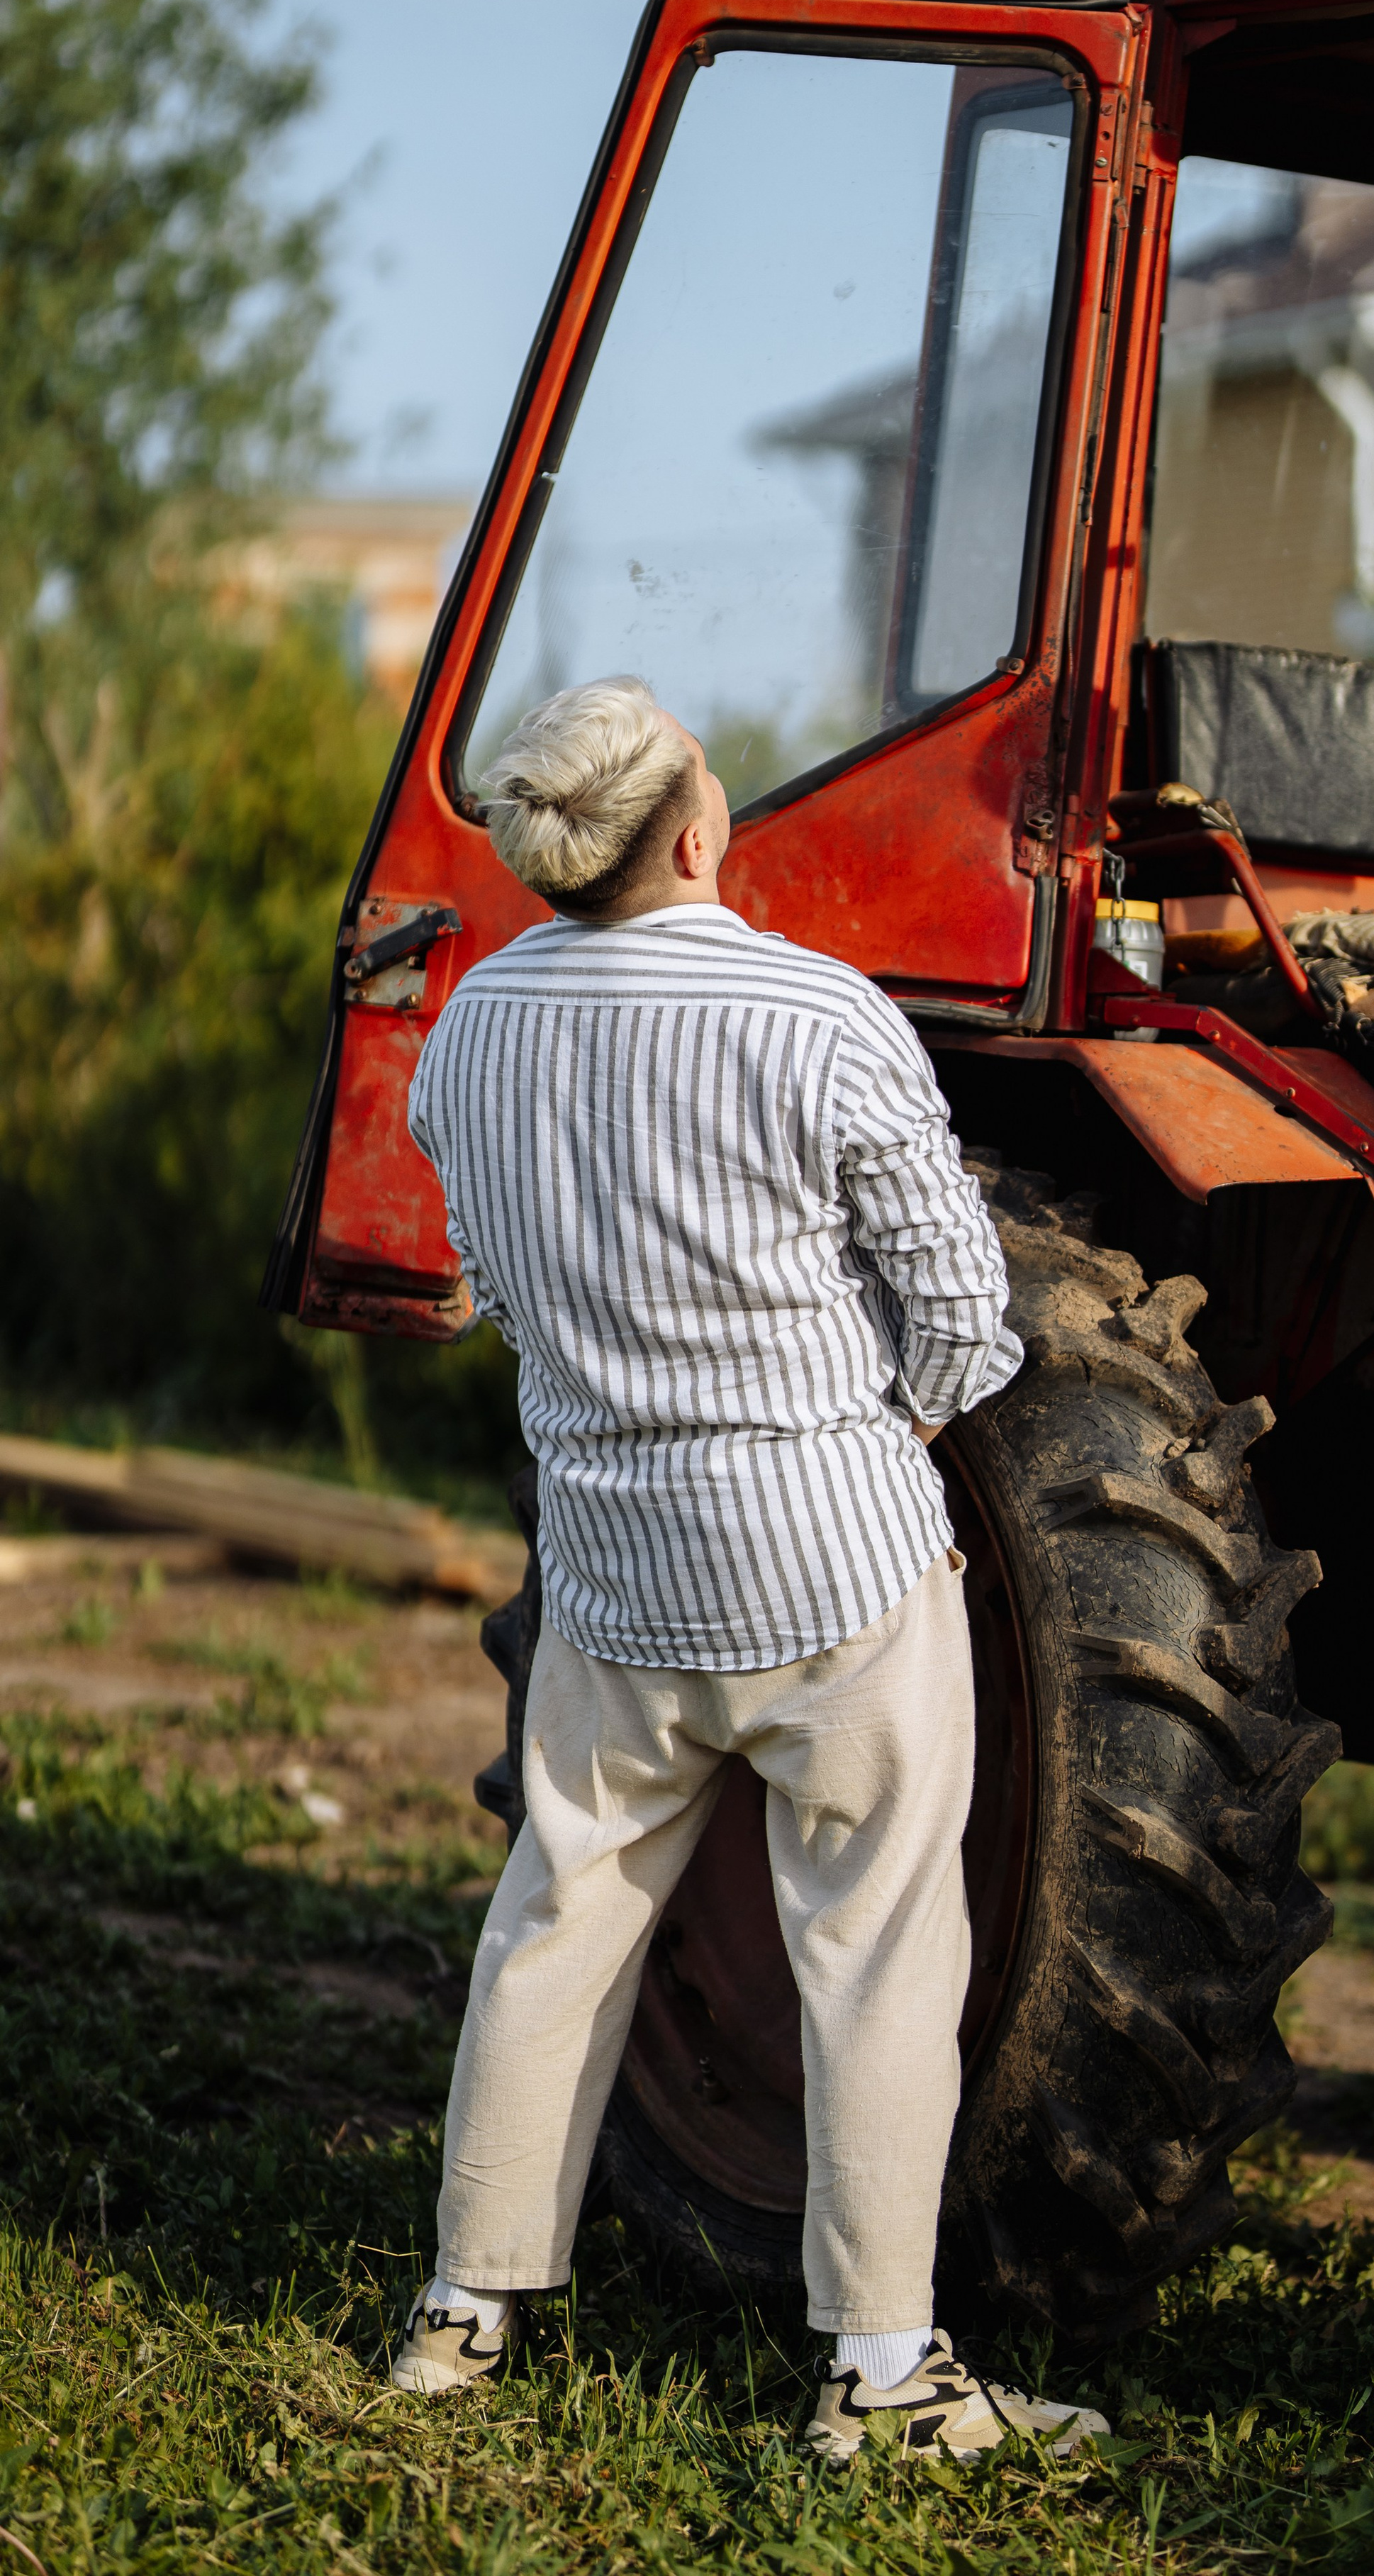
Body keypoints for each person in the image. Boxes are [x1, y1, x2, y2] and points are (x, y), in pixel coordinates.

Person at [392, 675, 1107, 2462]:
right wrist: (887, 1434)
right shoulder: (819, 1013)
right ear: (700, 830)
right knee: (871, 1944)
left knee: (558, 1913)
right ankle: (878, 2371)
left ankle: (462, 2314)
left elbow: (476, 1245)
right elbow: (959, 1318)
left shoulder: (472, 1023)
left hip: (611, 1575)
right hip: (832, 1574)